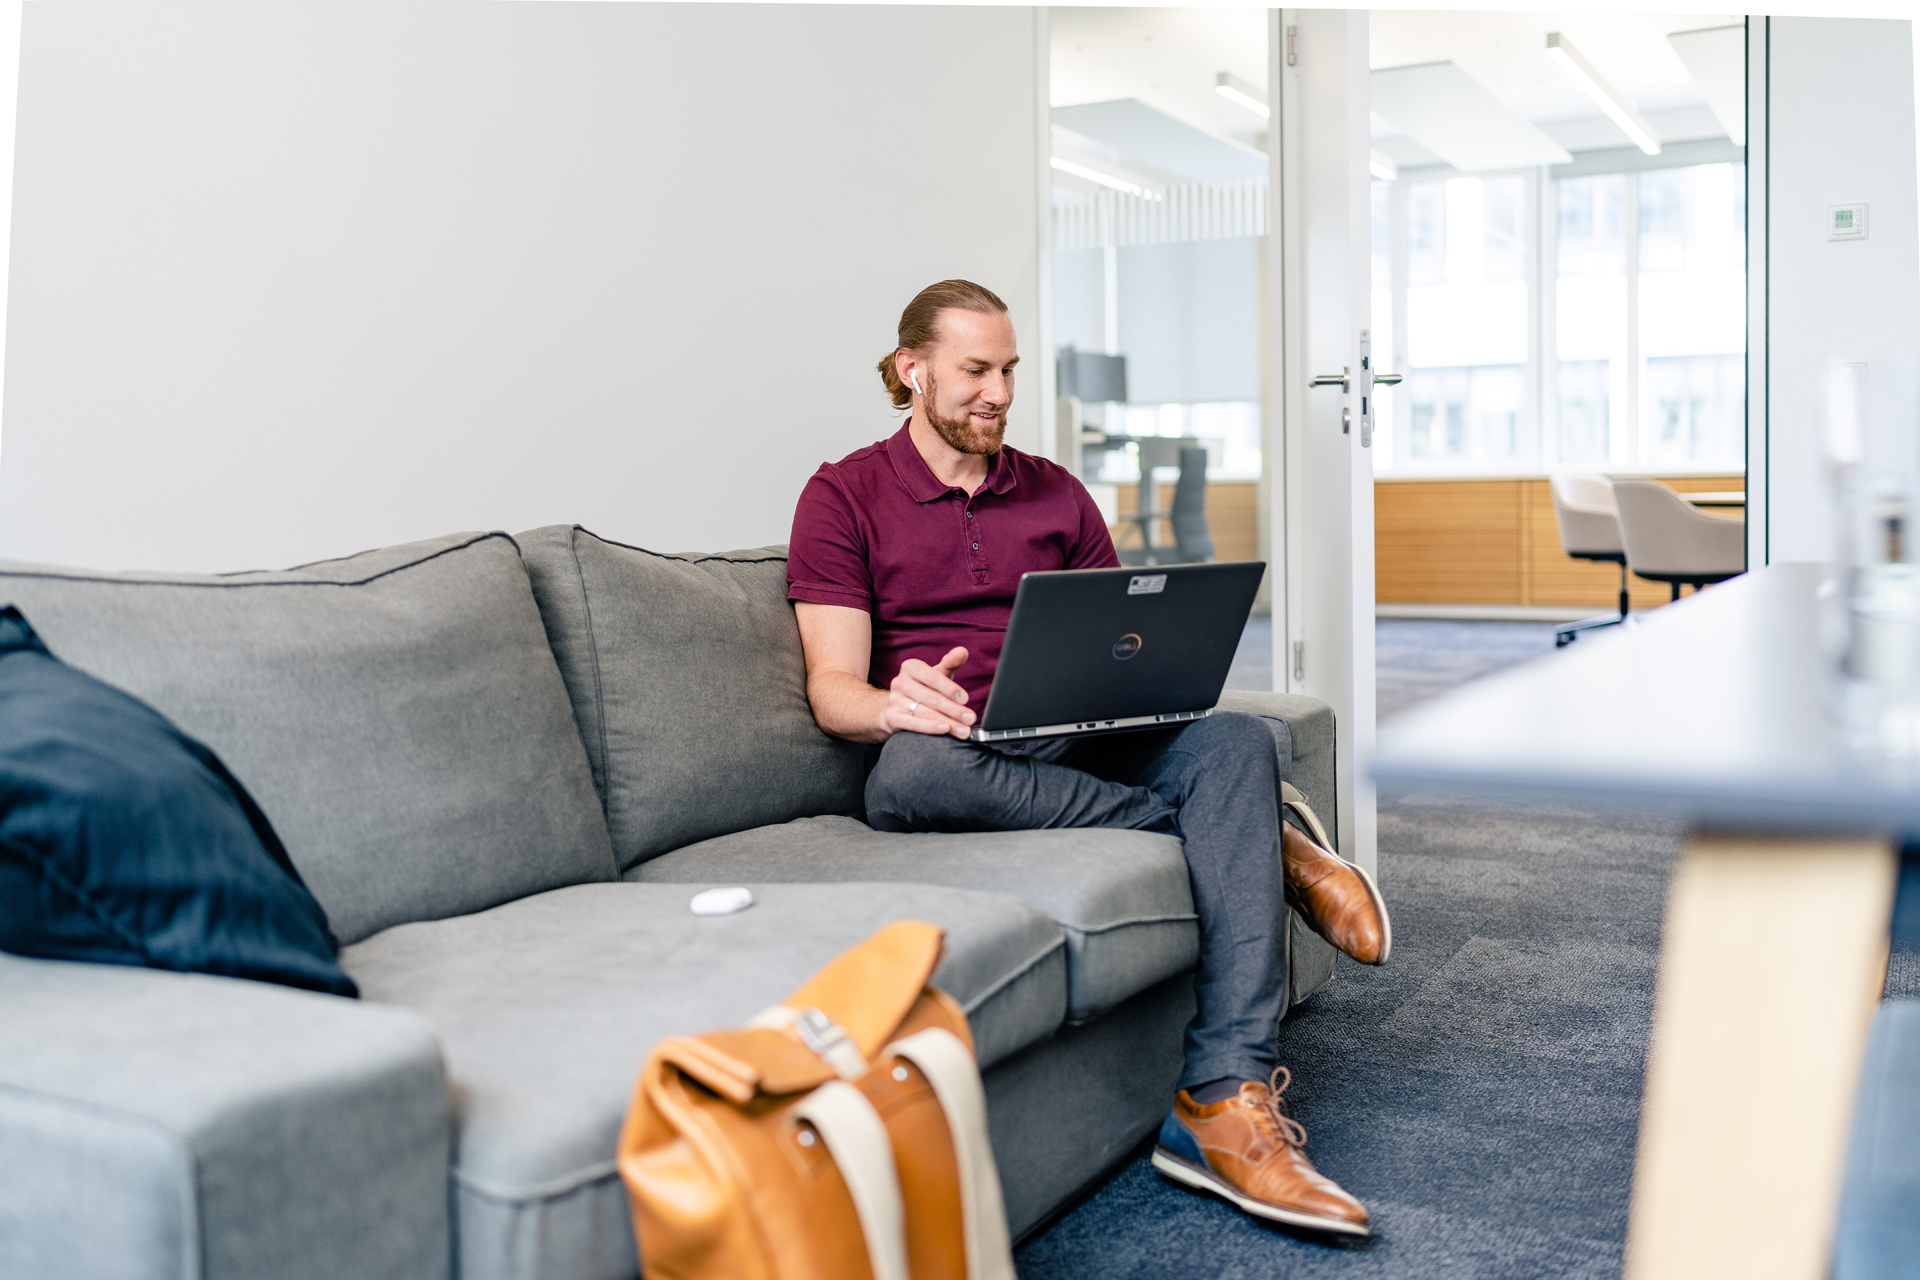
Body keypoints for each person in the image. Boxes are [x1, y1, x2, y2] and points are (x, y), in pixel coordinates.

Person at [785, 279, 1391, 1236]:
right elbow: (832, 688)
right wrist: (892, 701)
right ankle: (1260, 844)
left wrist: (1140, 679)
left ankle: (1221, 1098)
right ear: (913, 371)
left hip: (1080, 734)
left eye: (1010, 370)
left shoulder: (1055, 492)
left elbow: (1126, 639)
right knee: (911, 772)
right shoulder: (842, 495)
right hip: (957, 750)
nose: (999, 392)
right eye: (976, 370)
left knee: (1234, 739)